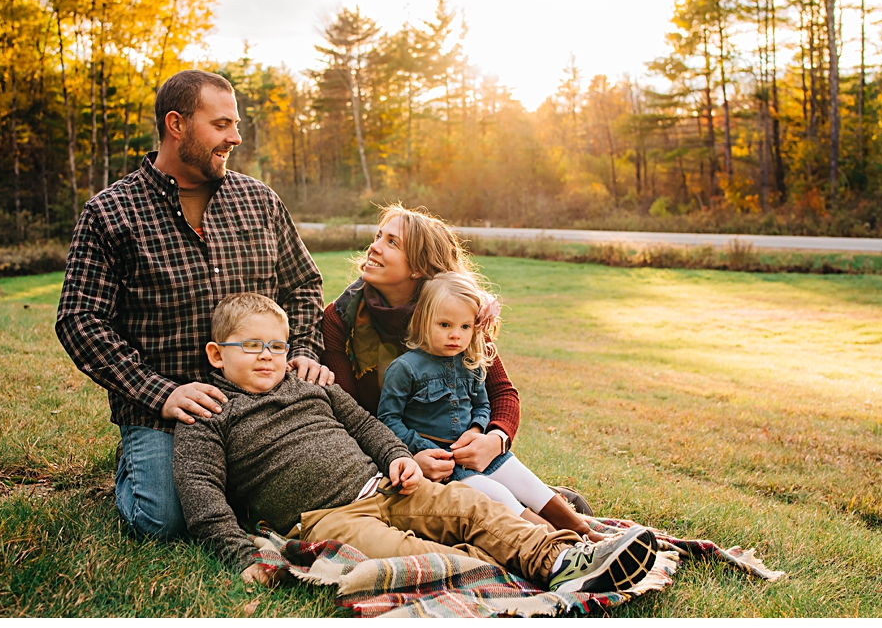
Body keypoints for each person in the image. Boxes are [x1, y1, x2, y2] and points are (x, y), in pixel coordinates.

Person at [172, 293, 658, 594]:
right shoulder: (208, 411)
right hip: (328, 516)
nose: (267, 357)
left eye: (276, 346)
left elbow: (366, 426)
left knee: (473, 509)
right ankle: (510, 572)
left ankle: (564, 560)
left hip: (388, 485)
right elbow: (201, 495)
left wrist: (399, 458)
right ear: (217, 354)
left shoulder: (312, 384)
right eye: (250, 347)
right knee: (412, 555)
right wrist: (244, 554)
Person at [55, 69, 332, 542]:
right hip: (168, 414)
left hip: (260, 405)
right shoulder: (110, 213)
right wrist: (161, 393)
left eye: (236, 124)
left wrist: (304, 350)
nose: (236, 137)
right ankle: (136, 464)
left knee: (314, 495)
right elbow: (80, 320)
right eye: (221, 125)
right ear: (176, 124)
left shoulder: (259, 201)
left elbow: (303, 285)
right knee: (165, 522)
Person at [320, 204, 594, 514]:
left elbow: (501, 391)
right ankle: (525, 507)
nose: (374, 247)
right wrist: (403, 456)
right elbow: (349, 414)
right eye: (379, 236)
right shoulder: (341, 318)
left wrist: (494, 439)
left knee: (506, 495)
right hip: (391, 458)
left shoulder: (454, 316)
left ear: (418, 267)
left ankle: (531, 504)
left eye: (391, 242)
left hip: (456, 457)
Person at [377, 272, 601, 540]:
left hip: (479, 451)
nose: (455, 336)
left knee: (528, 483)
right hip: (447, 467)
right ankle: (560, 542)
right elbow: (388, 420)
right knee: (502, 496)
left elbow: (483, 405)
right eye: (445, 325)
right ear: (423, 320)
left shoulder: (470, 362)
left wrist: (475, 429)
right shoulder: (405, 369)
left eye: (465, 327)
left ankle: (584, 531)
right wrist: (423, 447)